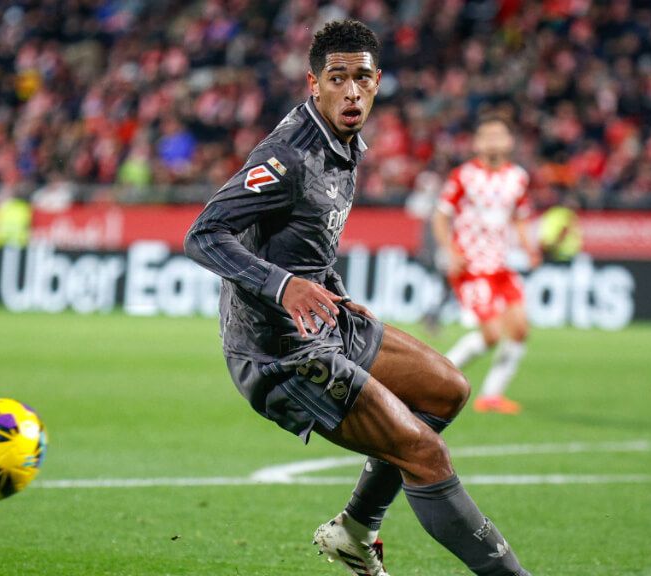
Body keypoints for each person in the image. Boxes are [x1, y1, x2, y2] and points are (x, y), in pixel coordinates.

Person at [184, 20, 533, 576]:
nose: (351, 91)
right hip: (280, 351)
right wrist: (284, 286)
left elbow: (306, 240)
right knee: (424, 453)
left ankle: (354, 531)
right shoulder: (286, 156)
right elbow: (202, 235)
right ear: (314, 84)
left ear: (377, 82)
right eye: (337, 78)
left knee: (447, 389)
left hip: (326, 318)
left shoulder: (343, 143)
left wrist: (335, 290)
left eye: (362, 79)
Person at [432, 114, 540, 415]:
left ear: (509, 142)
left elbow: (520, 217)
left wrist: (529, 248)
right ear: (477, 143)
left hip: (502, 265)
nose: (493, 141)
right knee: (492, 334)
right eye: (487, 136)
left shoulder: (518, 177)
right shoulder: (464, 176)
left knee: (520, 329)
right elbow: (440, 216)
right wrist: (450, 251)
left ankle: (491, 396)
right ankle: (435, 379)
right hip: (470, 266)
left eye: (498, 135)